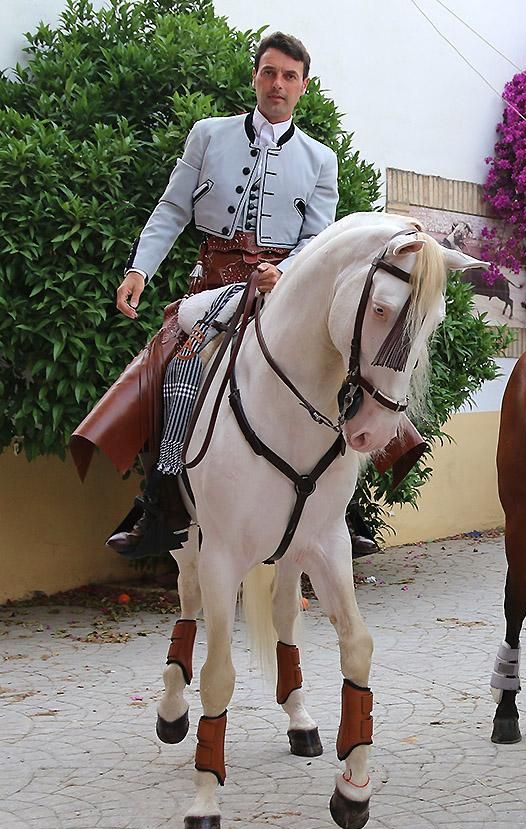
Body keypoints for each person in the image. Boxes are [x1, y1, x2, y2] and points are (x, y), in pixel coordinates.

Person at [99, 32, 349, 558]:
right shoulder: (208, 135)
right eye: (269, 72)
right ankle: (160, 501)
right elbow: (171, 209)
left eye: (289, 76)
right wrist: (139, 270)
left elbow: (317, 240)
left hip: (280, 294)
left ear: (303, 86)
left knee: (351, 367)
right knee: (168, 367)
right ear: (254, 76)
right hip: (210, 288)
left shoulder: (321, 160)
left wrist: (283, 274)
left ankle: (341, 511)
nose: (277, 84)